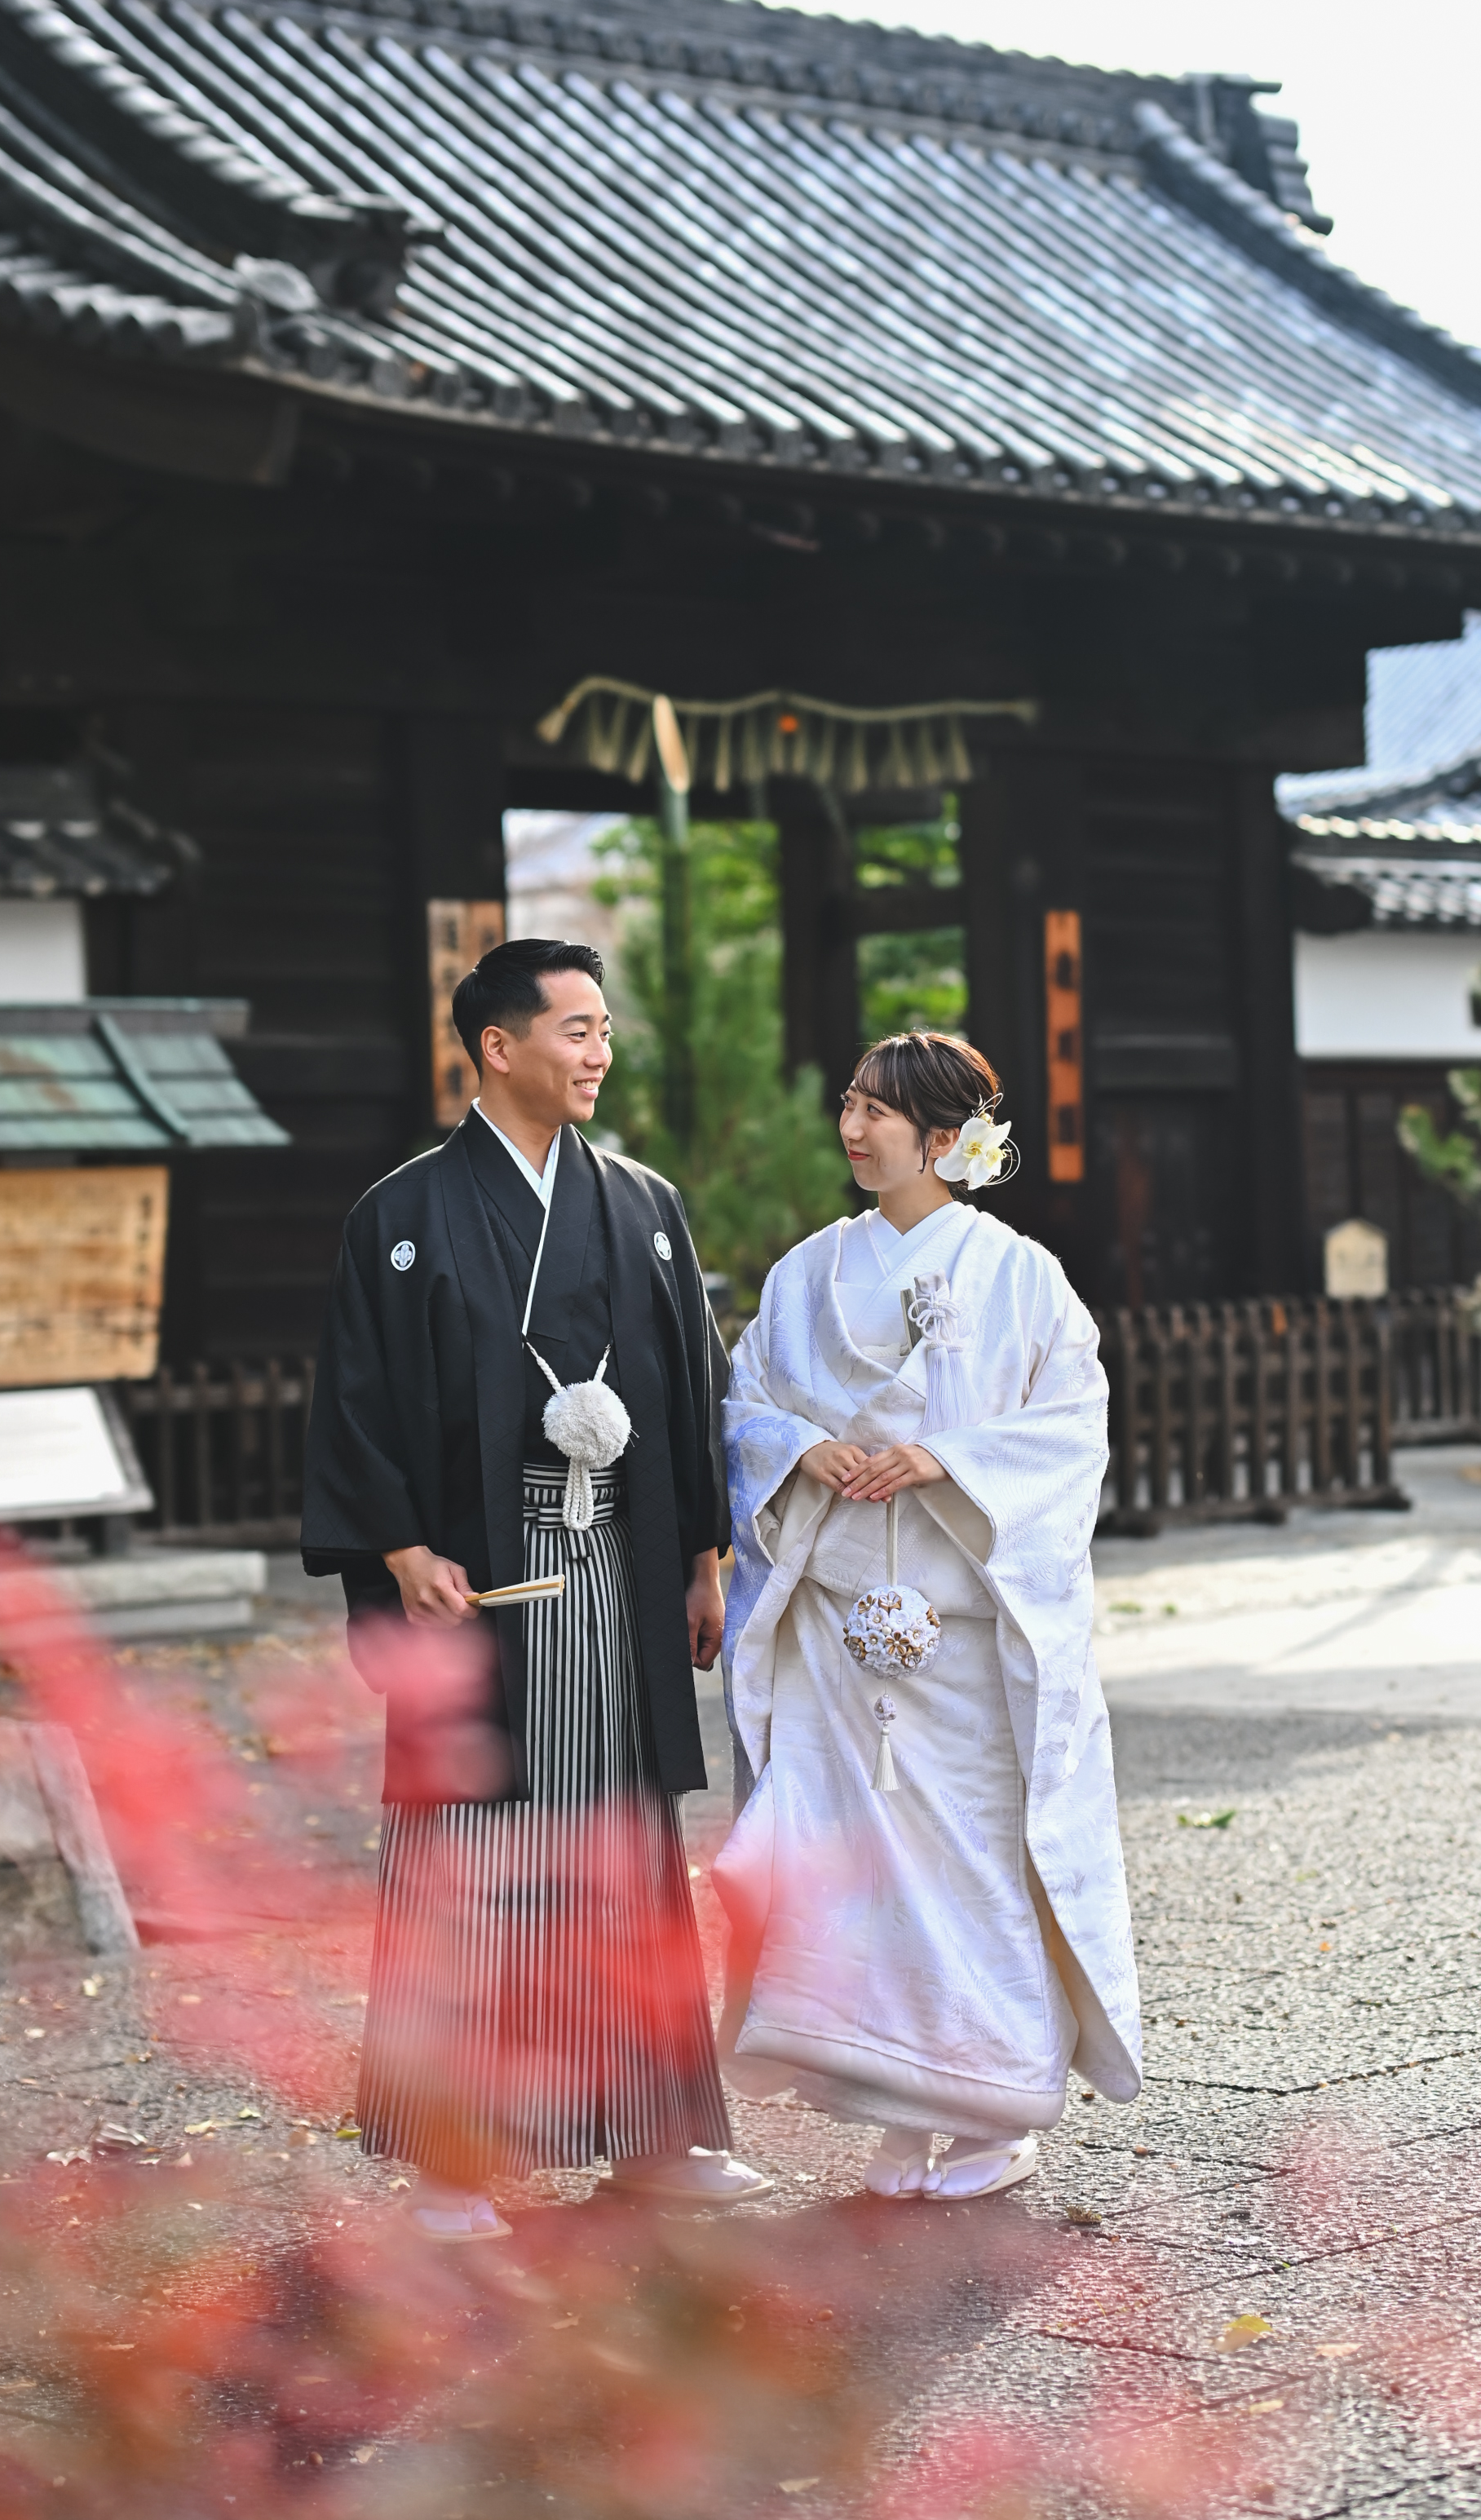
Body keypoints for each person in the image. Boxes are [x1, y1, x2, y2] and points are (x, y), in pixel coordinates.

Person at [300, 935, 769, 2235]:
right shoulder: (401, 1216)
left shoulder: (643, 1204)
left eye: (605, 1029)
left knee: (625, 1844)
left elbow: (692, 1387)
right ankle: (455, 2160)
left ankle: (652, 2133)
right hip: (477, 1578)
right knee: (474, 1850)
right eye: (577, 1030)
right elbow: (357, 1399)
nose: (601, 1052)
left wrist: (703, 1559)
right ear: (496, 1048)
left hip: (617, 1564)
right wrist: (400, 1550)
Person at [716, 1032, 1143, 2200]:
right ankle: (898, 2115)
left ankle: (995, 2113)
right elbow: (746, 1401)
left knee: (975, 1865)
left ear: (947, 1140)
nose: (854, 1128)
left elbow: (1073, 1426)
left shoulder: (1021, 1275)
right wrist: (799, 1446)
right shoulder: (805, 1272)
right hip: (839, 1629)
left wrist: (947, 1459)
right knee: (855, 1875)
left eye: (880, 1112)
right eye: (850, 1103)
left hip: (964, 1634)